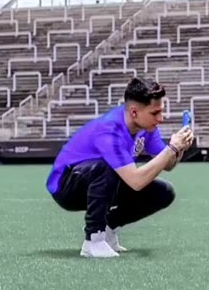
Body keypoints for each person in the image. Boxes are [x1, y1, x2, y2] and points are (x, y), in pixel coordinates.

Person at [46, 77, 194, 258]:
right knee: (108, 167)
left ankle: (108, 228)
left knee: (164, 192)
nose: (160, 118)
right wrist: (171, 148)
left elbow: (168, 164)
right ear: (134, 112)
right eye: (155, 113)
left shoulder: (146, 127)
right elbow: (136, 181)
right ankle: (93, 239)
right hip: (66, 187)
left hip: (102, 181)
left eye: (161, 111)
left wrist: (179, 148)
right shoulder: (110, 130)